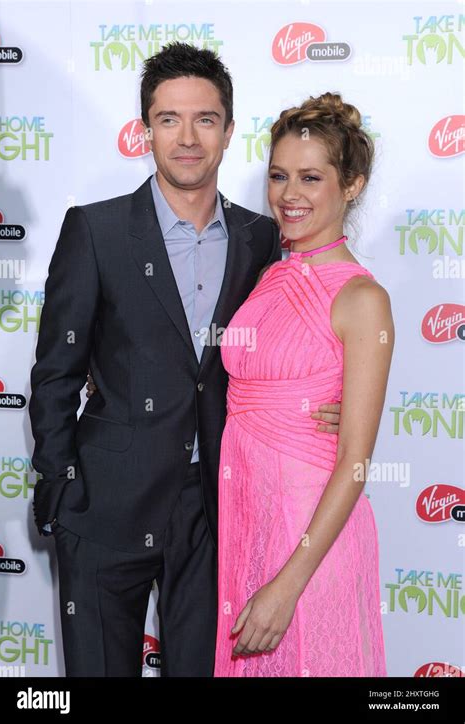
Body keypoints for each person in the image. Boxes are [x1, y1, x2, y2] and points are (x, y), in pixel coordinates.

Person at [28, 43, 341, 677]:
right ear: (146, 130)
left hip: (215, 509)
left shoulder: (262, 237)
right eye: (169, 118)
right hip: (103, 506)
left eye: (205, 118)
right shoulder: (97, 230)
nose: (188, 137)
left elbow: (292, 332)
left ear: (228, 130)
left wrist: (320, 405)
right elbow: (55, 373)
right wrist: (63, 489)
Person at [214, 92, 394, 677]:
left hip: (311, 546)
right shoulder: (269, 273)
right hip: (247, 524)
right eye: (279, 176)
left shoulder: (363, 299)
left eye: (311, 178)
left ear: (352, 186)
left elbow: (355, 464)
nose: (289, 195)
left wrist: (288, 585)